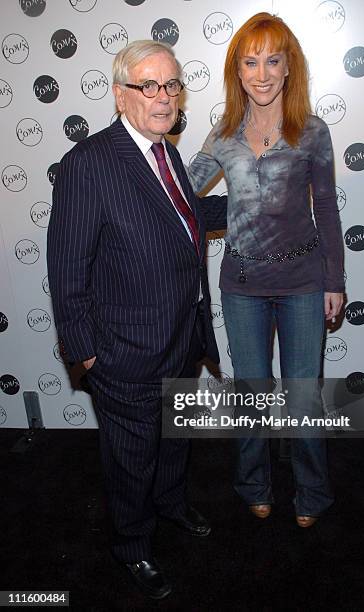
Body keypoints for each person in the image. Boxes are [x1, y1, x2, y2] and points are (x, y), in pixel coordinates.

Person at [47, 40, 226, 600]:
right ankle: (131, 545)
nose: (164, 96)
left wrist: (253, 201)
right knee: (130, 458)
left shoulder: (166, 150)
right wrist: (86, 352)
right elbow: (68, 267)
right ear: (121, 95)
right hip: (122, 350)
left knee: (174, 440)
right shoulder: (88, 164)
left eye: (172, 85)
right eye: (149, 86)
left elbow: (183, 216)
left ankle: (170, 505)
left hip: (180, 336)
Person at [188, 13, 344, 526]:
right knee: (252, 393)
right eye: (250, 62)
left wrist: (334, 281)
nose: (261, 73)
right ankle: (253, 484)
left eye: (272, 60)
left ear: (288, 67)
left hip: (302, 283)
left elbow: (327, 208)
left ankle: (313, 494)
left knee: (303, 397)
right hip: (242, 287)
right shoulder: (224, 133)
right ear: (237, 70)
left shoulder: (313, 132)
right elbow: (180, 190)